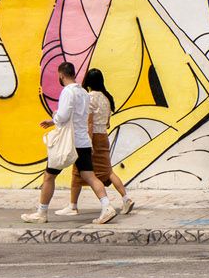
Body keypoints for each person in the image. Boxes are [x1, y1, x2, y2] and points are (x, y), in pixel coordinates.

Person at [22, 62, 116, 225]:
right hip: (83, 141)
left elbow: (64, 115)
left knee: (49, 176)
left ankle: (41, 213)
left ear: (61, 75)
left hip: (68, 142)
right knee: (90, 176)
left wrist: (53, 120)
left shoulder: (67, 91)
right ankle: (106, 206)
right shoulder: (83, 93)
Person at [55, 69, 135, 218]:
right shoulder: (106, 97)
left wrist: (89, 142)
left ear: (89, 81)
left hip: (92, 138)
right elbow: (108, 123)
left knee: (78, 171)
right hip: (104, 135)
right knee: (107, 171)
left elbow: (89, 123)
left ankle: (73, 206)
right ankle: (125, 198)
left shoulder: (89, 97)